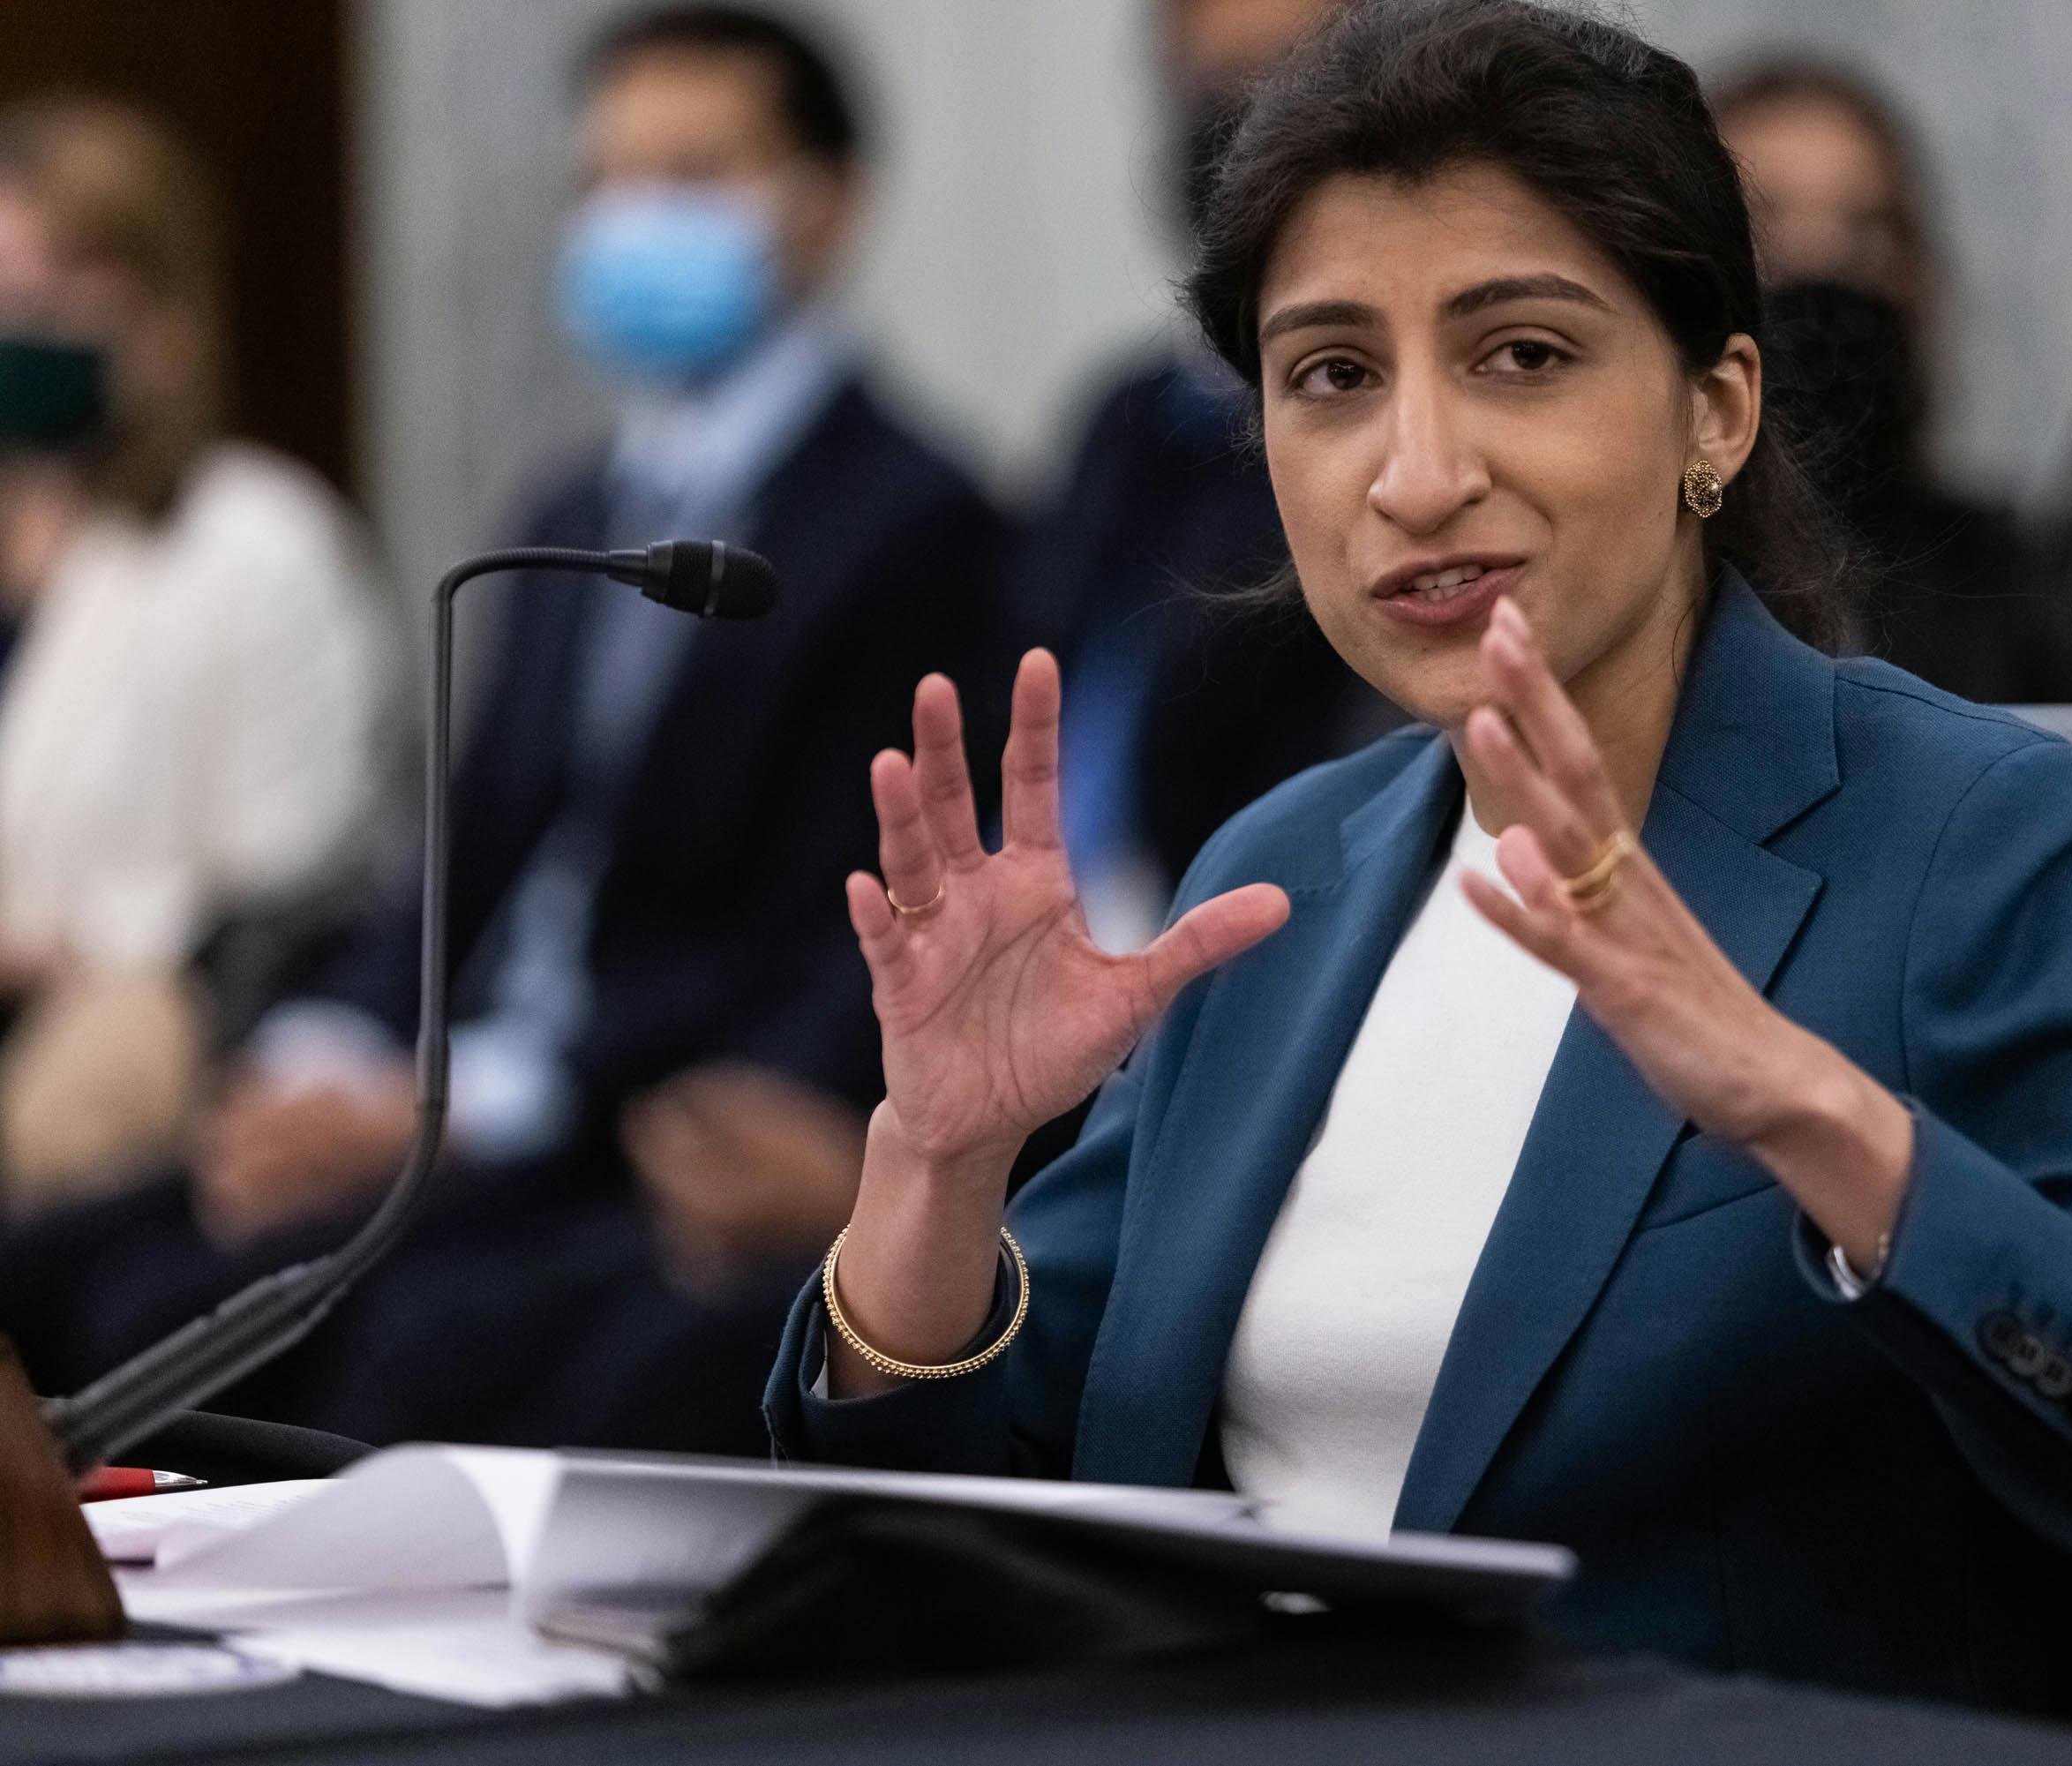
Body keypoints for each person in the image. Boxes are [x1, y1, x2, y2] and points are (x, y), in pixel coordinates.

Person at [768, 0, 2072, 1735]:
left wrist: (1817, 1116)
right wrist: (937, 1177)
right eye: (1332, 376)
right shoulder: (1279, 874)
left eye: (1523, 355)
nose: (1416, 474)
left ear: (1716, 411)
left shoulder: (1978, 845)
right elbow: (968, 1504)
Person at [0, 4, 1002, 1454]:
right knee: (50, 1275)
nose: (631, 216)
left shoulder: (915, 521)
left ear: (827, 203)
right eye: (605, 179)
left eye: (691, 172)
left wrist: (452, 1107)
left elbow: (828, 928)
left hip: (616, 1127)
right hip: (445, 1096)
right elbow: (458, 863)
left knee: (319, 1338)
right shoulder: (568, 514)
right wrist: (325, 1049)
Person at [0, 100, 394, 1210]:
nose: (13, 329)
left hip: (158, 1035)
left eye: (47, 296)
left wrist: (56, 946)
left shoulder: (258, 542)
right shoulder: (25, 541)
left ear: (161, 314)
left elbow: (297, 879)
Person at [1017, 0, 1392, 949]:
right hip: (1047, 973)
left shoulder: (1408, 438)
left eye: (1287, 75)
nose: (1240, 120)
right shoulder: (1123, 420)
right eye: (1210, 87)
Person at [1712, 57, 2072, 707]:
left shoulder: (1980, 573)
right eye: (1764, 227)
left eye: (1866, 232)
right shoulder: (1656, 562)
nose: (1821, 266)